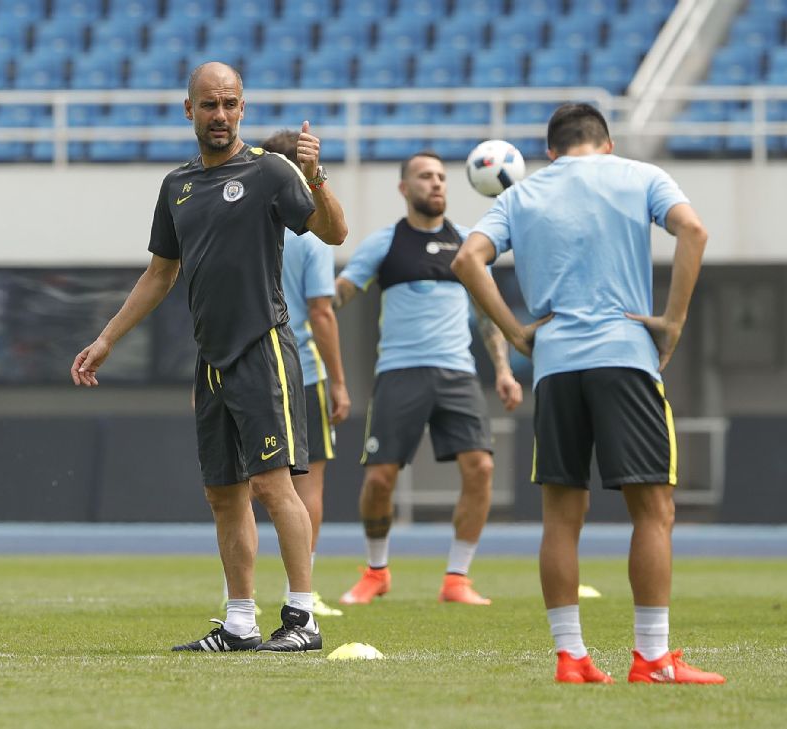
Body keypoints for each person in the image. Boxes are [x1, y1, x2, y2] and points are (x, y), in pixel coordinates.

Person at [71, 62, 348, 652]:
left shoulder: (273, 172)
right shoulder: (176, 187)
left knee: (275, 487)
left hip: (263, 345)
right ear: (188, 110)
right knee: (224, 493)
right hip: (211, 360)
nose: (219, 115)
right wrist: (107, 339)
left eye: (229, 104)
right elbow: (159, 274)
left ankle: (303, 620)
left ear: (242, 109)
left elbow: (335, 233)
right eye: (209, 105)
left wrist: (315, 175)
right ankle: (240, 623)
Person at [452, 103, 724, 684]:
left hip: (554, 365)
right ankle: (651, 658)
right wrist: (672, 322)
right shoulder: (640, 175)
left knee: (560, 516)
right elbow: (694, 231)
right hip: (626, 356)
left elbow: (467, 260)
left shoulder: (520, 195)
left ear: (549, 152)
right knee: (653, 510)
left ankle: (571, 657)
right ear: (606, 142)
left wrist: (518, 332)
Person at [333, 151, 522, 607]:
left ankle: (457, 578)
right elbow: (339, 294)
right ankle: (376, 571)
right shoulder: (384, 244)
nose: (435, 183)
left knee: (481, 468)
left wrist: (503, 371)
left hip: (457, 374)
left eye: (441, 176)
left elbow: (488, 315)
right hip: (398, 373)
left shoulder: (467, 246)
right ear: (404, 188)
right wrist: (311, 300)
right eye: (424, 176)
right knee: (380, 479)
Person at [259, 128, 352, 618]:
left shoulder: (249, 222)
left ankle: (241, 595)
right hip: (302, 370)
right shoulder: (312, 234)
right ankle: (303, 590)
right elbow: (322, 313)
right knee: (307, 487)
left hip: (252, 367)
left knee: (249, 486)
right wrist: (339, 381)